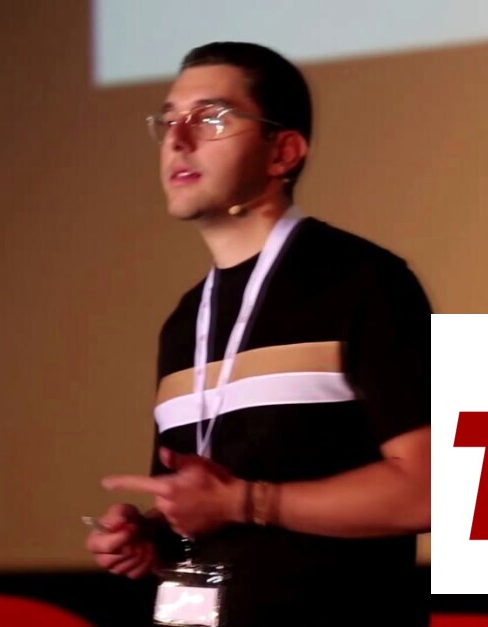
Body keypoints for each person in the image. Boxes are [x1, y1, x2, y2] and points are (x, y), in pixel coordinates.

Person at [85, 41, 431, 626]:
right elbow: (205, 506)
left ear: (283, 152)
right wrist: (153, 535)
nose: (178, 139)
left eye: (211, 118)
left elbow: (430, 488)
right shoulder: (185, 322)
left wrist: (245, 502)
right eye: (169, 120)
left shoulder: (363, 282)